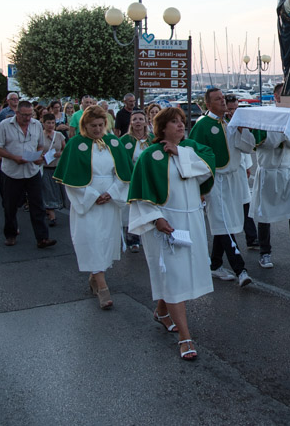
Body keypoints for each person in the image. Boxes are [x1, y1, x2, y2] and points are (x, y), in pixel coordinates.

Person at [128, 107, 216, 360]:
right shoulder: (149, 156)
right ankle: (185, 338)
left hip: (192, 220)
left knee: (182, 274)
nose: (181, 125)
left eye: (182, 122)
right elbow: (141, 194)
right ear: (162, 128)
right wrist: (156, 219)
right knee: (174, 276)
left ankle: (162, 312)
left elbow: (208, 169)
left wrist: (180, 153)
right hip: (167, 222)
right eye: (174, 122)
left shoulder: (189, 150)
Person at [53, 106, 132, 309]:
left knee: (105, 241)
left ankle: (96, 277)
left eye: (100, 125)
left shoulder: (113, 142)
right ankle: (103, 288)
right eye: (92, 126)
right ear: (84, 125)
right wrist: (91, 196)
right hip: (87, 201)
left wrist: (112, 193)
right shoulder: (75, 144)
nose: (97, 129)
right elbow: (71, 179)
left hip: (109, 199)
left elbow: (123, 174)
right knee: (91, 239)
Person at [189, 88, 255, 287]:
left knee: (225, 222)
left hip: (233, 179)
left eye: (223, 98)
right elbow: (194, 155)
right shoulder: (202, 126)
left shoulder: (231, 123)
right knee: (222, 221)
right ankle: (240, 269)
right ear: (208, 105)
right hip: (215, 180)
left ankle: (215, 264)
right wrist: (200, 186)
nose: (223, 102)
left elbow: (246, 148)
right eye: (217, 99)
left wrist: (244, 130)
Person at [249, 83, 290, 270]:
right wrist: (285, 135)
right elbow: (265, 142)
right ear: (276, 97)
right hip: (268, 171)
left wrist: (285, 134)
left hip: (286, 171)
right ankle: (265, 252)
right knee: (265, 215)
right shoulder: (265, 116)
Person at [0, 100, 57, 249]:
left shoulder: (36, 125)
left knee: (37, 205)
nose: (27, 118)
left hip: (31, 171)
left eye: (30, 115)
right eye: (24, 115)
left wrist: (38, 156)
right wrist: (14, 157)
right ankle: (10, 234)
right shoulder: (5, 125)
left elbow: (40, 144)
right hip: (12, 172)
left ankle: (42, 238)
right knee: (10, 206)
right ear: (17, 113)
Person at [225, 95, 258, 248]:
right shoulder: (221, 125)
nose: (233, 112)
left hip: (239, 169)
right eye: (231, 109)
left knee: (246, 204)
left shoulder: (240, 123)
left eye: (236, 109)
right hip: (224, 175)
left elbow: (247, 147)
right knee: (228, 210)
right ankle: (231, 242)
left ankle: (252, 237)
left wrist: (247, 166)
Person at [119, 109, 153, 252]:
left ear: (146, 122)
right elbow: (120, 161)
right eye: (135, 120)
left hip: (149, 179)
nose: (138, 122)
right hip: (131, 180)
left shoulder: (152, 138)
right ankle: (132, 239)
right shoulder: (125, 140)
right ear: (131, 123)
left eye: (140, 119)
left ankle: (148, 237)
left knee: (148, 208)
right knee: (131, 209)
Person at [39, 113, 66, 226]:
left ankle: (50, 208)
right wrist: (42, 155)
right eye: (48, 123)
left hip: (57, 166)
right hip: (45, 167)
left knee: (58, 190)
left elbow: (65, 149)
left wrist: (59, 154)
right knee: (48, 190)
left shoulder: (59, 135)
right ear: (43, 123)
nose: (50, 125)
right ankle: (52, 215)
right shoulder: (40, 136)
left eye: (52, 123)